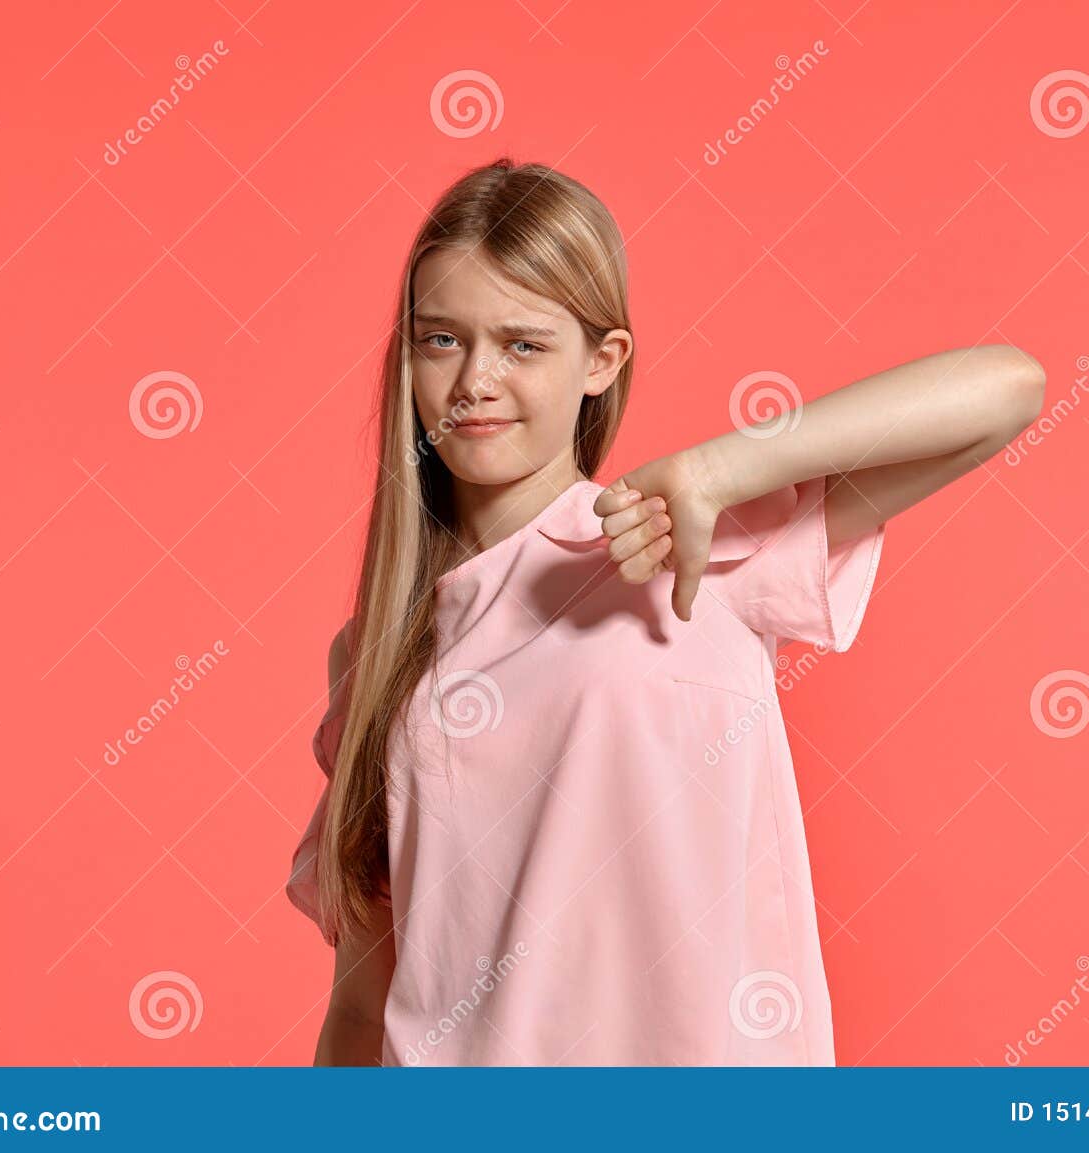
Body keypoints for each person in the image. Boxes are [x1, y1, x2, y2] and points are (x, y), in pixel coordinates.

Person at [286, 157, 1045, 1065]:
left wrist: (724, 470)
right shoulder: (376, 653)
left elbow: (1005, 389)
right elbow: (364, 1007)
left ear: (601, 363)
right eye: (441, 340)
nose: (475, 381)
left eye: (523, 344)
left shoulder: (684, 542)